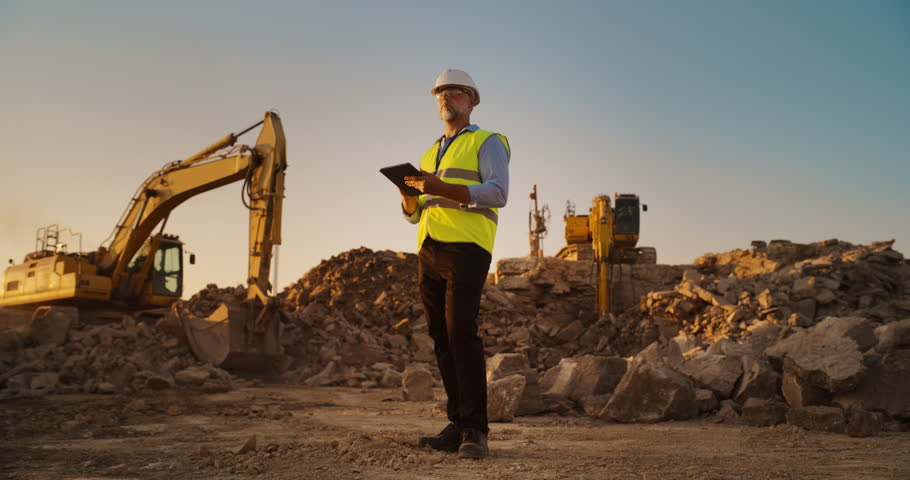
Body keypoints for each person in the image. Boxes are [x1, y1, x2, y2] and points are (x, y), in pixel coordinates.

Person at [398, 69, 510, 459]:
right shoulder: (429, 153)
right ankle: (459, 423)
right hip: (429, 249)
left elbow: (498, 193)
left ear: (472, 100)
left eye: (455, 92)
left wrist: (441, 187)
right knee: (441, 336)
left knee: (461, 331)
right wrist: (408, 196)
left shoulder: (487, 141)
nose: (446, 97)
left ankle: (476, 429)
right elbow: (415, 214)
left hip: (467, 247)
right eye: (440, 93)